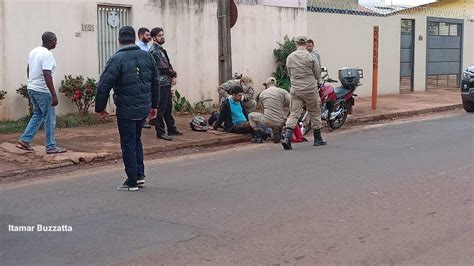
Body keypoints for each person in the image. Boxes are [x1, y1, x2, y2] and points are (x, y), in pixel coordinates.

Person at [95, 26, 160, 191]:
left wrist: (100, 108)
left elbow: (103, 85)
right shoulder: (147, 57)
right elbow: (155, 83)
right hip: (144, 107)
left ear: (119, 40)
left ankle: (131, 180)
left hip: (126, 109)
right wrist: (154, 106)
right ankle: (139, 175)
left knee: (128, 143)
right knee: (136, 140)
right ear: (134, 38)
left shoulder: (117, 59)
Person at [16, 31, 67, 154]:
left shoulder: (34, 51)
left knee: (38, 114)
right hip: (43, 91)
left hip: (32, 88)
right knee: (49, 118)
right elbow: (46, 73)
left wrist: (31, 82)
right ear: (50, 42)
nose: (56, 43)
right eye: (55, 41)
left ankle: (25, 140)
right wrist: (53, 94)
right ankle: (50, 146)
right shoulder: (47, 55)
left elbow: (28, 68)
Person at [282, 35, 326, 150]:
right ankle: (318, 139)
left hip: (296, 89)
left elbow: (289, 73)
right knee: (315, 112)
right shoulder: (310, 56)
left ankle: (287, 138)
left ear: (296, 43)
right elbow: (317, 74)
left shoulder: (290, 57)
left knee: (294, 113)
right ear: (306, 43)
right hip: (310, 89)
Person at [149, 27, 182, 141]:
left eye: (162, 35)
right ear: (153, 38)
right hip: (160, 84)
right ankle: (160, 132)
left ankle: (171, 128)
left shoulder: (161, 50)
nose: (162, 37)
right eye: (159, 35)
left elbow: (168, 64)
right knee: (161, 109)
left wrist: (172, 75)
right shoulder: (155, 51)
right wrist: (173, 74)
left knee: (168, 107)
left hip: (165, 83)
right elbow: (164, 67)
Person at [248, 77, 290, 143]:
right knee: (274, 134)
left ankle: (258, 136)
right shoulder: (283, 91)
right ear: (276, 83)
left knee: (251, 115)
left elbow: (262, 108)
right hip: (281, 120)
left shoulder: (262, 94)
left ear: (267, 84)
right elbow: (291, 102)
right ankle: (276, 131)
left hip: (268, 121)